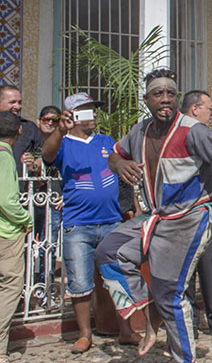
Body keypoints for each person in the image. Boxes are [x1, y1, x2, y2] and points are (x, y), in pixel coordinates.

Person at [95, 68, 212, 363]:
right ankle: (152, 310)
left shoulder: (192, 130)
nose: (165, 99)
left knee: (172, 296)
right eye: (158, 94)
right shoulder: (140, 131)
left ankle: (182, 356)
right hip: (155, 218)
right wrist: (118, 166)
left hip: (188, 220)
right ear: (146, 99)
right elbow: (114, 154)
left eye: (171, 94)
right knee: (108, 252)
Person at [41, 93, 139, 353]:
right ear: (71, 116)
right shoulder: (63, 142)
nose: (92, 115)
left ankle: (126, 331)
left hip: (111, 222)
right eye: (85, 111)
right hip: (78, 224)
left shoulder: (106, 141)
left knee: (118, 278)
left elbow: (121, 166)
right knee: (79, 282)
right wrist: (60, 131)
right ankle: (85, 334)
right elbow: (47, 156)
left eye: (93, 111)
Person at [180, 91, 212, 338]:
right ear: (194, 109)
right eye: (210, 108)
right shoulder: (187, 132)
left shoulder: (203, 133)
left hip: (207, 208)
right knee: (185, 269)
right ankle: (189, 318)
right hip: (185, 210)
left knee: (210, 263)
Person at [0, 111, 33, 363]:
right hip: (6, 233)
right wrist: (26, 218)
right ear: (19, 132)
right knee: (10, 286)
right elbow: (7, 201)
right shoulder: (4, 156)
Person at [34, 106, 63, 305]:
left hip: (52, 201)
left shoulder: (62, 145)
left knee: (49, 246)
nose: (50, 123)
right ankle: (27, 287)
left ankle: (46, 287)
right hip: (28, 201)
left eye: (55, 120)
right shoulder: (31, 142)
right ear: (39, 120)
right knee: (27, 246)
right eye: (47, 119)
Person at [0, 85, 43, 187]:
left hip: (21, 193)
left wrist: (33, 165)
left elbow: (42, 158)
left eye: (19, 102)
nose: (18, 106)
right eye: (12, 102)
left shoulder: (29, 128)